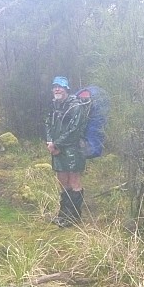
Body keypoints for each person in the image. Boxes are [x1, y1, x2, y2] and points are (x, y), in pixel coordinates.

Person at [45, 76, 90, 227]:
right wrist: (50, 142)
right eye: (55, 86)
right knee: (62, 181)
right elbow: (48, 125)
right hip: (57, 149)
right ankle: (63, 215)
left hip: (74, 150)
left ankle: (74, 217)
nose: (57, 89)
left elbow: (74, 131)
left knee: (74, 181)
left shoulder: (75, 106)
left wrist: (56, 144)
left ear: (66, 89)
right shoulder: (54, 106)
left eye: (60, 86)